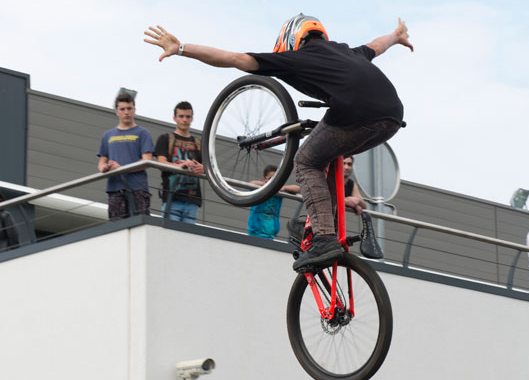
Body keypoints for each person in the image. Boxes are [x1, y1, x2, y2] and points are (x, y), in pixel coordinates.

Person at [144, 13, 412, 270]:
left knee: (306, 161)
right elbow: (377, 46)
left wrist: (181, 48)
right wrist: (396, 35)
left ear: (292, 37)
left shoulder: (295, 58)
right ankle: (327, 223)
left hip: (355, 112)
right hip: (392, 116)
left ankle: (324, 236)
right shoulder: (348, 51)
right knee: (328, 155)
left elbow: (235, 58)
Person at [97, 93, 155, 220]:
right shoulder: (108, 135)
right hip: (115, 189)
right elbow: (101, 163)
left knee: (140, 228)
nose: (126, 112)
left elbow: (147, 161)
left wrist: (121, 168)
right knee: (117, 230)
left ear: (134, 110)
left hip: (137, 188)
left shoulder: (143, 133)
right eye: (122, 109)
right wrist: (105, 168)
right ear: (117, 112)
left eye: (129, 108)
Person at [155, 101, 205, 224]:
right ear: (174, 118)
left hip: (192, 200)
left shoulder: (199, 143)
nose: (184, 120)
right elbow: (161, 162)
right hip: (172, 198)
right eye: (181, 116)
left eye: (188, 116)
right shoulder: (165, 138)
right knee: (170, 237)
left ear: (192, 118)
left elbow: (208, 167)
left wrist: (203, 169)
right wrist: (179, 166)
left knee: (188, 240)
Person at [247, 164, 300, 240]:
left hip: (271, 234)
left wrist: (284, 187)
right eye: (270, 178)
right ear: (264, 179)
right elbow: (251, 184)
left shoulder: (279, 192)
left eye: (275, 179)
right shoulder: (260, 189)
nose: (273, 181)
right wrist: (265, 185)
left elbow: (298, 189)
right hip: (256, 232)